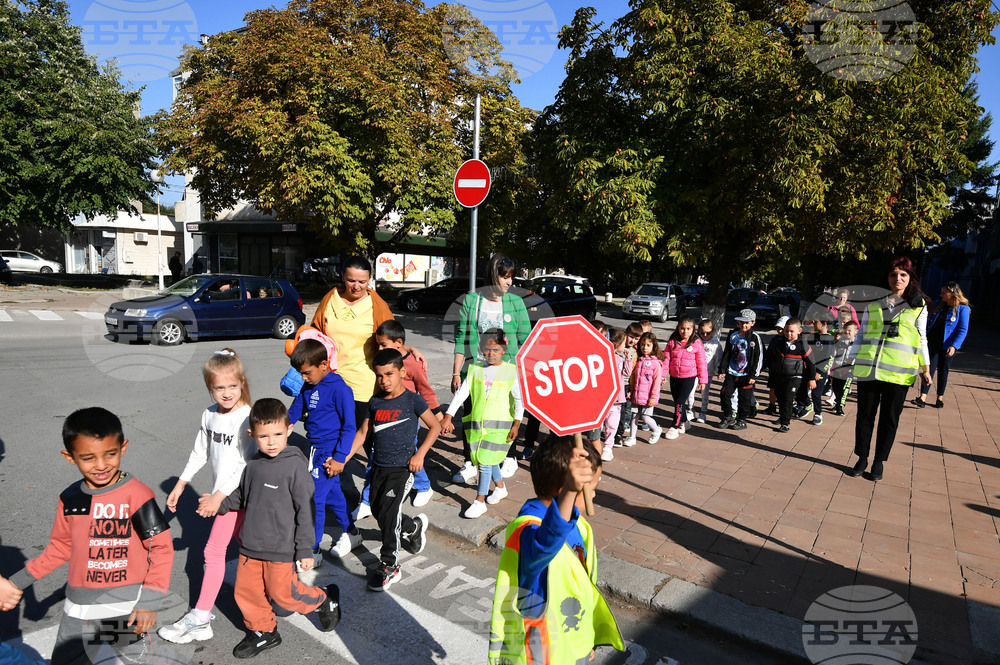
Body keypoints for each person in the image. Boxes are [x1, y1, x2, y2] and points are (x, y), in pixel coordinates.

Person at [5, 407, 175, 664]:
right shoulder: (71, 498)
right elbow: (60, 548)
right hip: (80, 607)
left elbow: (160, 548)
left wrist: (149, 602)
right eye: (88, 458)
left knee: (137, 660)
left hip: (125, 606)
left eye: (110, 454)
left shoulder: (137, 494)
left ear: (123, 448)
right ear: (69, 457)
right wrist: (16, 582)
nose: (101, 465)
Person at [213, 398, 341, 658]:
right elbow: (242, 497)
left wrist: (305, 549)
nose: (272, 442)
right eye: (264, 436)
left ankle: (322, 599)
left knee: (284, 596)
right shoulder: (253, 465)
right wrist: (219, 504)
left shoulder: (294, 467)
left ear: (289, 431)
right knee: (247, 593)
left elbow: (306, 511)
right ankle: (264, 632)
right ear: (252, 435)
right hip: (251, 544)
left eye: (278, 434)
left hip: (281, 548)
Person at [489, 436, 624, 665]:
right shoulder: (528, 530)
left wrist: (587, 641)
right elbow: (546, 541)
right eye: (592, 486)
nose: (594, 495)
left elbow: (583, 584)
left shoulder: (579, 525)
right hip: (544, 655)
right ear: (566, 489)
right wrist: (570, 493)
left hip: (575, 641)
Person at [309, 255, 421, 520]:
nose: (356, 286)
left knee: (375, 447)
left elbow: (393, 338)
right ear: (342, 277)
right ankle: (349, 503)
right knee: (335, 445)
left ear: (369, 280)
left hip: (364, 388)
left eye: (362, 281)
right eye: (351, 280)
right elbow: (314, 333)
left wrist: (410, 349)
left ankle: (384, 500)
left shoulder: (375, 303)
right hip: (332, 385)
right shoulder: (330, 299)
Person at [160, 349, 256, 645]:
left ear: (241, 382)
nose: (226, 393)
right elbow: (200, 451)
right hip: (224, 496)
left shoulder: (245, 417)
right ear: (209, 387)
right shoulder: (209, 414)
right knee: (249, 547)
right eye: (219, 388)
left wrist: (218, 496)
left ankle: (201, 618)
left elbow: (245, 463)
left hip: (239, 496)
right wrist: (180, 484)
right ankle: (279, 586)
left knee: (213, 553)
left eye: (232, 386)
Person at [338, 349, 441, 591]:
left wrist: (420, 455)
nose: (384, 380)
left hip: (403, 468)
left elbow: (435, 427)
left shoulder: (411, 400)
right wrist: (343, 458)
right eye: (379, 375)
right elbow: (363, 434)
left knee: (390, 512)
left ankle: (389, 565)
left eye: (389, 374)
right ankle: (413, 528)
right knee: (378, 510)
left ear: (402, 372)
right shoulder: (374, 403)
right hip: (378, 467)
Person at [849, 257, 931, 482]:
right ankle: (862, 458)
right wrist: (850, 359)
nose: (898, 278)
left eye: (903, 275)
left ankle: (878, 462)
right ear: (887, 277)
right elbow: (862, 335)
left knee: (889, 418)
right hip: (869, 370)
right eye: (894, 274)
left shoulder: (918, 305)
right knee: (864, 416)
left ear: (910, 278)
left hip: (899, 372)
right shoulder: (875, 303)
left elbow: (922, 338)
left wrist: (926, 368)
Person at [451, 254, 530, 483]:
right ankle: (469, 461)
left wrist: (524, 373)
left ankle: (509, 457)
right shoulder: (471, 300)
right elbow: (462, 338)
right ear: (492, 275)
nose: (508, 282)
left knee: (504, 414)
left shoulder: (516, 303)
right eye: (504, 277)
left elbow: (526, 340)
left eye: (511, 277)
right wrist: (457, 372)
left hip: (506, 371)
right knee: (471, 415)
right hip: (475, 369)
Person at [288, 339, 360, 561]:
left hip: (330, 452)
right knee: (333, 495)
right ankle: (352, 533)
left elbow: (350, 427)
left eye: (307, 372)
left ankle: (313, 549)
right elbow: (295, 410)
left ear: (324, 365)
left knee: (315, 499)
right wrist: (281, 427)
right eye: (300, 373)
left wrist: (339, 458)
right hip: (315, 449)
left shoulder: (341, 390)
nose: (303, 378)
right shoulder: (308, 386)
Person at [443, 329, 523, 519]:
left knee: (485, 462)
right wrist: (448, 414)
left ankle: (479, 501)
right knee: (486, 458)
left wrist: (517, 424)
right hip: (478, 427)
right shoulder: (475, 369)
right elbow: (462, 393)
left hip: (500, 428)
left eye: (495, 349)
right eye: (487, 350)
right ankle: (500, 487)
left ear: (503, 349)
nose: (491, 354)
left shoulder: (511, 371)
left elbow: (519, 400)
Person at [375, 320, 440, 508]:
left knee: (408, 453)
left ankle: (423, 486)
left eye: (383, 344)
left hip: (408, 417)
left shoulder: (412, 364)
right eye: (378, 344)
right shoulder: (385, 358)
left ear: (398, 343)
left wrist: (439, 415)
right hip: (385, 412)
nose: (379, 348)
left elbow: (425, 390)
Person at [914, 281, 970, 409]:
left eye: (944, 293)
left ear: (952, 293)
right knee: (928, 369)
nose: (941, 295)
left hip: (948, 345)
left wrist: (955, 346)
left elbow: (963, 330)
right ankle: (922, 397)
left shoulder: (963, 309)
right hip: (932, 342)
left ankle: (939, 398)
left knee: (943, 371)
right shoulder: (937, 305)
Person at [765, 319, 816, 433]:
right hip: (779, 376)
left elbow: (811, 363)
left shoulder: (803, 345)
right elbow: (771, 358)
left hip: (795, 377)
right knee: (781, 399)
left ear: (799, 331)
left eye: (792, 331)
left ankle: (785, 423)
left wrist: (811, 379)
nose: (789, 334)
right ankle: (784, 416)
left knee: (788, 399)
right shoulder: (779, 342)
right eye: (787, 331)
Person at [662, 315, 708, 439]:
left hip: (689, 377)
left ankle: (674, 426)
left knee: (681, 401)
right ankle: (685, 422)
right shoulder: (673, 341)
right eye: (682, 328)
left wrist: (703, 380)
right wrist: (662, 374)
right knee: (677, 401)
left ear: (693, 329)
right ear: (678, 328)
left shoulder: (697, 343)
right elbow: (666, 359)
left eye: (688, 328)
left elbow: (702, 362)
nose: (685, 331)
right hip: (674, 376)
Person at [717, 309, 764, 430]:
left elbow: (759, 357)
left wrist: (754, 375)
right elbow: (727, 352)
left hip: (747, 374)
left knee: (744, 398)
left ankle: (742, 420)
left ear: (752, 323)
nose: (744, 325)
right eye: (741, 322)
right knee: (725, 394)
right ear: (737, 322)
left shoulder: (754, 337)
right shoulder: (733, 335)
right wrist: (722, 369)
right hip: (732, 372)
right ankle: (728, 415)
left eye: (747, 323)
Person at [625, 332, 664, 445]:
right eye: (642, 344)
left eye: (648, 345)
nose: (645, 347)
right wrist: (631, 390)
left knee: (646, 417)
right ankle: (632, 437)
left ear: (653, 346)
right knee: (634, 416)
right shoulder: (639, 360)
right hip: (636, 395)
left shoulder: (656, 364)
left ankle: (656, 430)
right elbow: (634, 377)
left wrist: (653, 397)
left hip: (648, 397)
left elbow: (656, 382)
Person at [612, 322, 643, 445]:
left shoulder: (634, 351)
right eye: (631, 337)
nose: (633, 340)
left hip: (624, 384)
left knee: (623, 409)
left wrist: (631, 388)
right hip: (613, 382)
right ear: (626, 334)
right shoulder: (617, 346)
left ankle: (618, 433)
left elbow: (631, 372)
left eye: (636, 338)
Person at [601, 329, 628, 461]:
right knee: (599, 423)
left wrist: (628, 359)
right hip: (603, 398)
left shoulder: (620, 358)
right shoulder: (604, 357)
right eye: (624, 343)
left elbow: (627, 373)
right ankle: (594, 444)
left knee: (612, 424)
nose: (626, 346)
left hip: (616, 399)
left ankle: (608, 447)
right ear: (616, 344)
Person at [691, 318, 722, 424]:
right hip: (694, 372)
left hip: (707, 373)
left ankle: (703, 413)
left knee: (704, 393)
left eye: (707, 333)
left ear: (712, 331)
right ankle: (691, 410)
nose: (704, 335)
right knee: (690, 392)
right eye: (702, 332)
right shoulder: (695, 341)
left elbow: (718, 358)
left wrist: (719, 371)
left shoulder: (715, 343)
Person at [828, 320, 858, 416]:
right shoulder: (840, 342)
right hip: (838, 368)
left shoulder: (857, 343)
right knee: (836, 388)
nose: (847, 332)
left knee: (844, 389)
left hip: (849, 370)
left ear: (855, 331)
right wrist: (830, 367)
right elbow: (833, 354)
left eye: (850, 330)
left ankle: (840, 407)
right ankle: (838, 401)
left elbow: (857, 358)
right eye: (845, 330)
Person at [763, 315, 790, 417]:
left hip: (785, 370)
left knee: (783, 391)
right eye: (778, 328)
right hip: (774, 368)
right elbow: (769, 352)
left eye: (782, 329)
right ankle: (772, 405)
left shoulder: (789, 341)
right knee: (772, 387)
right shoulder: (775, 339)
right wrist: (766, 363)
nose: (779, 331)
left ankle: (784, 410)